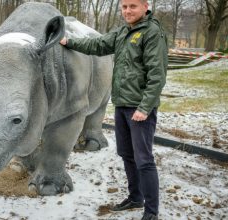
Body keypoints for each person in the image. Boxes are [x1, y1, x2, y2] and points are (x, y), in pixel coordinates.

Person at [60, 0, 167, 219]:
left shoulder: (152, 33)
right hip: (122, 105)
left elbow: (157, 75)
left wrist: (145, 108)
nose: (127, 11)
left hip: (139, 109)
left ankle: (151, 211)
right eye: (124, 7)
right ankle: (135, 198)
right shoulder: (122, 32)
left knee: (144, 160)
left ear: (145, 7)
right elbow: (97, 45)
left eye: (132, 6)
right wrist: (68, 42)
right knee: (127, 154)